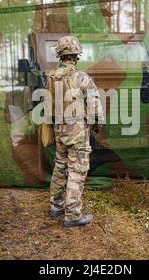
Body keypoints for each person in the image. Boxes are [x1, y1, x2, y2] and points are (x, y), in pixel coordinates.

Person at [46, 35, 104, 228]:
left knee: (60, 166)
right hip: (77, 132)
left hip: (59, 129)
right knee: (77, 170)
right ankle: (72, 216)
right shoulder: (81, 77)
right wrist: (97, 124)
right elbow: (95, 105)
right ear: (76, 55)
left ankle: (56, 207)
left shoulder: (51, 77)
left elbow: (47, 106)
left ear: (60, 55)